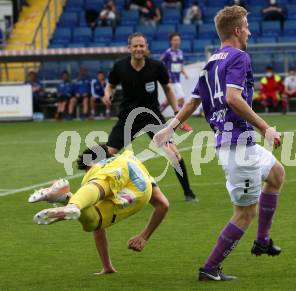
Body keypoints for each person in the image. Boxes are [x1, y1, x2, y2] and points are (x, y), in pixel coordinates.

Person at [154, 6, 285, 281]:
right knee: (245, 212)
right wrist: (266, 128)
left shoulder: (212, 62)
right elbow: (233, 99)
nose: (249, 31)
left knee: (276, 174)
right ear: (237, 30)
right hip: (238, 145)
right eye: (246, 26)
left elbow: (192, 102)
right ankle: (210, 268)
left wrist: (168, 129)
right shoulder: (239, 57)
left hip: (236, 142)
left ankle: (262, 240)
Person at [29, 144, 169, 274]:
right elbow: (163, 205)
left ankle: (68, 199)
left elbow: (97, 230)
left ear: (90, 163)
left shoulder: (96, 170)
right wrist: (144, 236)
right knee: (95, 220)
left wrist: (68, 208)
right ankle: (67, 199)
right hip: (141, 191)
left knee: (97, 187)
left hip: (115, 184)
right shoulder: (130, 160)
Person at [102, 32, 198, 202]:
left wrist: (177, 112)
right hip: (128, 117)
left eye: (141, 46)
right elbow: (110, 85)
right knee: (108, 154)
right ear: (129, 48)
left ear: (146, 48)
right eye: (135, 46)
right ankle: (103, 192)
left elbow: (168, 88)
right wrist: (107, 94)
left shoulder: (156, 66)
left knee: (173, 154)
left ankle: (188, 193)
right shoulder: (119, 66)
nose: (138, 49)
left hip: (152, 116)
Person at [159, 32, 193, 132]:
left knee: (168, 101)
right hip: (170, 80)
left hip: (177, 80)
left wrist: (184, 73)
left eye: (178, 40)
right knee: (181, 99)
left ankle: (154, 115)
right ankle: (182, 123)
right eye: (175, 40)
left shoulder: (180, 53)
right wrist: (165, 75)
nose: (177, 42)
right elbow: (160, 64)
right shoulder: (168, 53)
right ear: (171, 41)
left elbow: (180, 65)